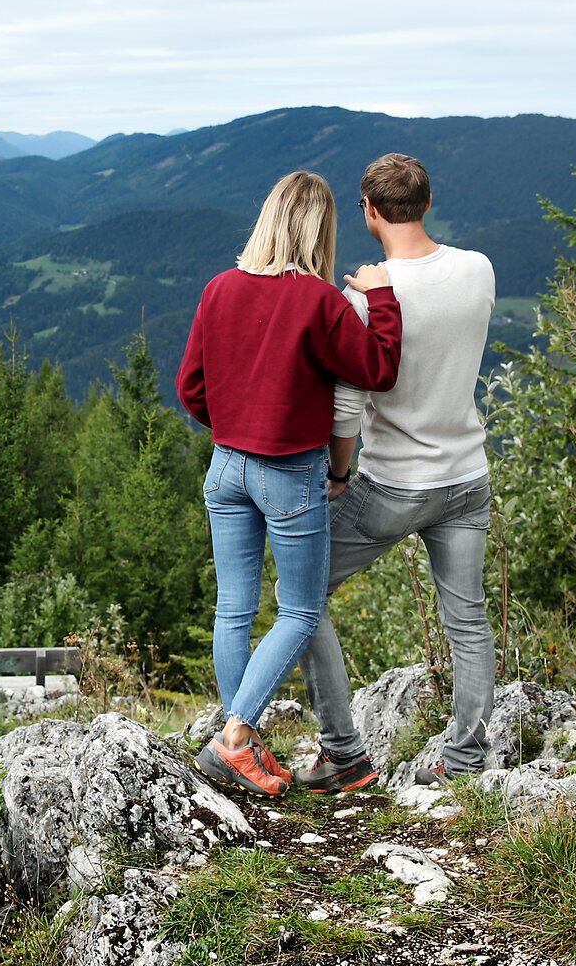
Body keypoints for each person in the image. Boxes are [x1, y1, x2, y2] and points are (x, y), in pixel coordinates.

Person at [175, 170, 401, 797]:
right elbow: (377, 369)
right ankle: (236, 739)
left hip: (225, 467)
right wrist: (381, 298)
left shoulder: (219, 288)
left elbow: (190, 387)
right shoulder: (320, 302)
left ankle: (237, 737)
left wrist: (234, 426)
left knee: (234, 608)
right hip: (289, 471)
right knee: (299, 610)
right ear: (320, 230)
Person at [293, 153, 497, 793]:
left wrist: (337, 473)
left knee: (303, 599)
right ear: (427, 204)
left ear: (370, 211)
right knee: (468, 620)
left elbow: (348, 406)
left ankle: (343, 750)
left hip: (391, 486)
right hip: (466, 476)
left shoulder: (362, 302)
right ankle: (465, 763)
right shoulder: (478, 270)